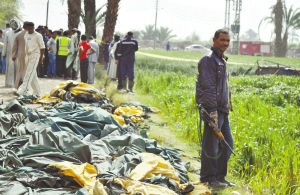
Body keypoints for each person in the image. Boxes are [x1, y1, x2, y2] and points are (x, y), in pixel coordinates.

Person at [195, 29, 234, 189]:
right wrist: (212, 113)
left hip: (223, 109)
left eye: (227, 40)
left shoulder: (221, 60)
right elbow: (208, 87)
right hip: (214, 109)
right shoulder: (208, 61)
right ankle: (208, 178)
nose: (225, 43)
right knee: (211, 145)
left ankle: (219, 177)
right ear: (214, 40)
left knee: (227, 143)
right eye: (222, 40)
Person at [17, 22, 44, 97]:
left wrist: (41, 59)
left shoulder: (38, 36)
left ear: (31, 27)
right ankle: (37, 93)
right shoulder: (26, 34)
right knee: (33, 75)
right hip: (27, 56)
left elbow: (42, 48)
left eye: (25, 27)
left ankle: (22, 90)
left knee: (28, 73)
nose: (24, 28)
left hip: (35, 55)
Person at [3, 19, 21, 88]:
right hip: (10, 53)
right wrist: (4, 53)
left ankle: (15, 83)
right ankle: (9, 83)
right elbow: (5, 44)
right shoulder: (8, 33)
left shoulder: (20, 33)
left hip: (16, 54)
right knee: (11, 68)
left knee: (16, 68)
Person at [12, 21, 29, 89]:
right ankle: (24, 87)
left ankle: (17, 86)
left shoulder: (18, 35)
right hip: (28, 54)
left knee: (19, 70)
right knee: (26, 70)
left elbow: (14, 47)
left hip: (20, 54)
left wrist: (13, 56)